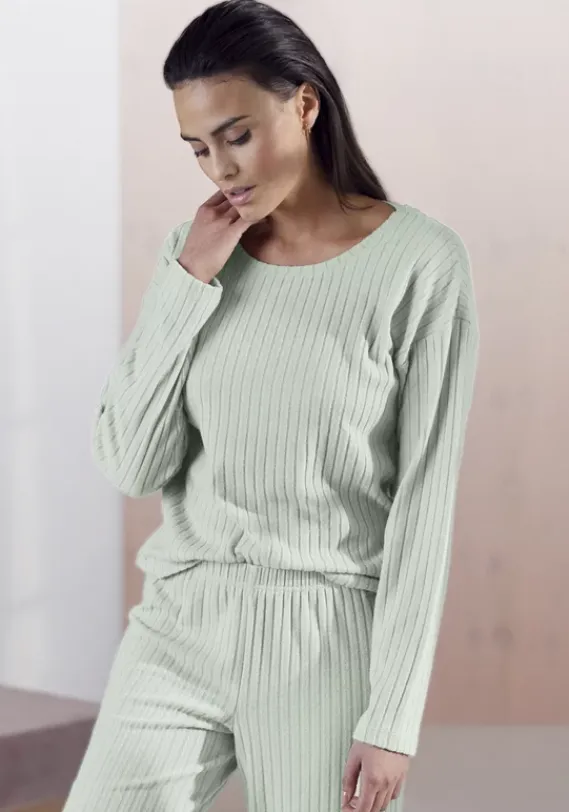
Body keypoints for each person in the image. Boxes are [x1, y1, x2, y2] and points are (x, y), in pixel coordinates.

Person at [63, 1, 479, 811]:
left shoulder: (420, 263)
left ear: (304, 104)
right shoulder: (196, 255)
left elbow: (423, 506)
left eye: (236, 135)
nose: (219, 169)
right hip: (178, 620)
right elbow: (132, 463)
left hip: (322, 638)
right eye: (197, 148)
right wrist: (187, 282)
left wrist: (392, 716)